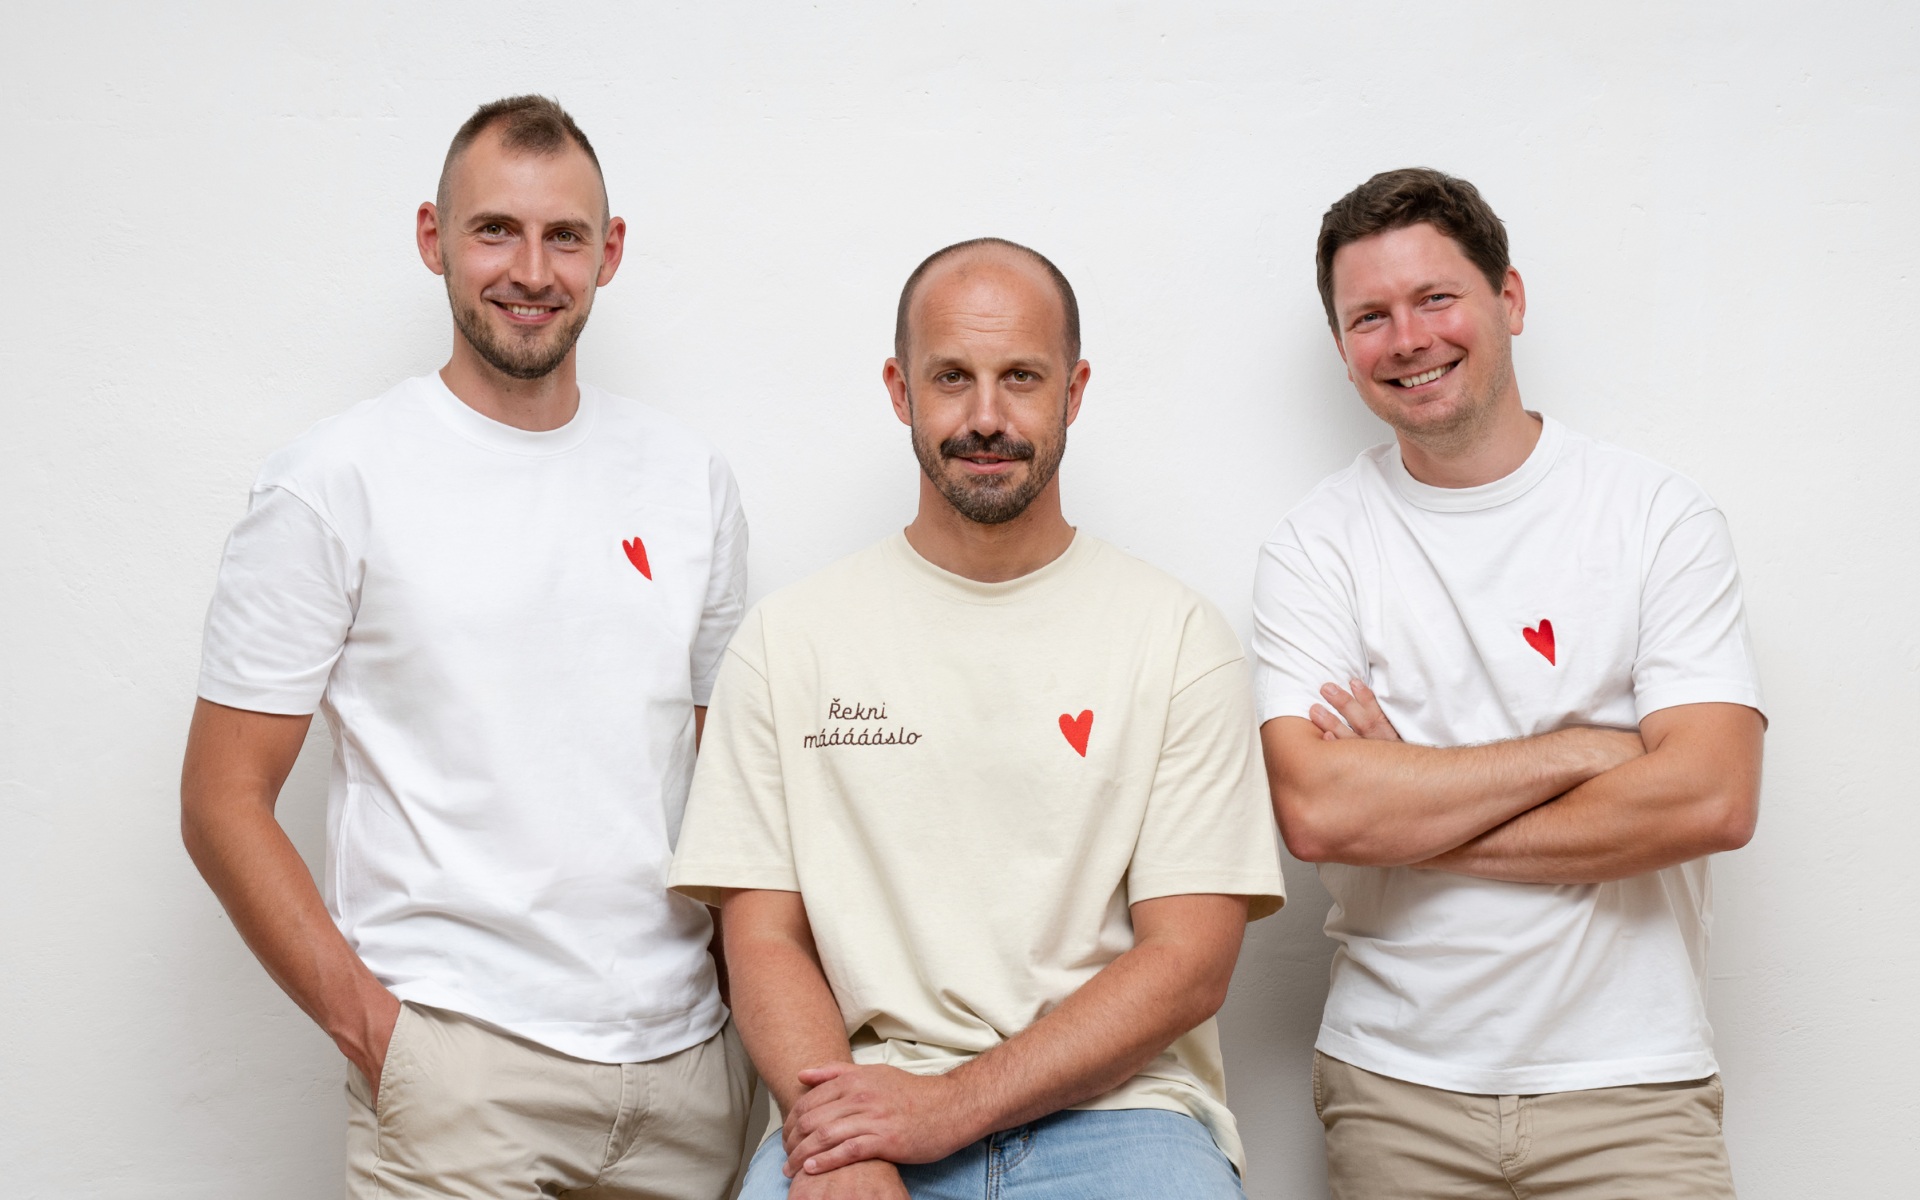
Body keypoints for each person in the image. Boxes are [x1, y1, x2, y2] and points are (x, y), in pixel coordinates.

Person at [180, 95, 753, 1199]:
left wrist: (743, 1037)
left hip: (686, 1079)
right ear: (432, 238)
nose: (531, 270)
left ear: (609, 252)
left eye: (564, 236)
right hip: (461, 1076)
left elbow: (718, 784)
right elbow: (220, 800)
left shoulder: (690, 479)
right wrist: (387, 1043)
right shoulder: (332, 482)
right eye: (495, 230)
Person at [668, 238, 1286, 1200]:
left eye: (1021, 378)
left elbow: (1189, 962)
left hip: (1123, 1119)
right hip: (857, 1100)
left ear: (1074, 391)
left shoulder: (1176, 638)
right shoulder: (787, 643)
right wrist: (845, 1140)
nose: (986, 417)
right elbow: (764, 942)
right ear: (900, 389)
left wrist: (949, 1106)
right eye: (952, 377)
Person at [1253, 167, 1766, 1198]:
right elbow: (1320, 814)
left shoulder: (1656, 518)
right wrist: (1586, 752)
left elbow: (1711, 797)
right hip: (1396, 1088)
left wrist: (1411, 800)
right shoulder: (1315, 547)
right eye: (1369, 317)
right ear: (1343, 348)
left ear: (1510, 299)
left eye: (1436, 298)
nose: (1408, 339)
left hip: (1633, 1089)